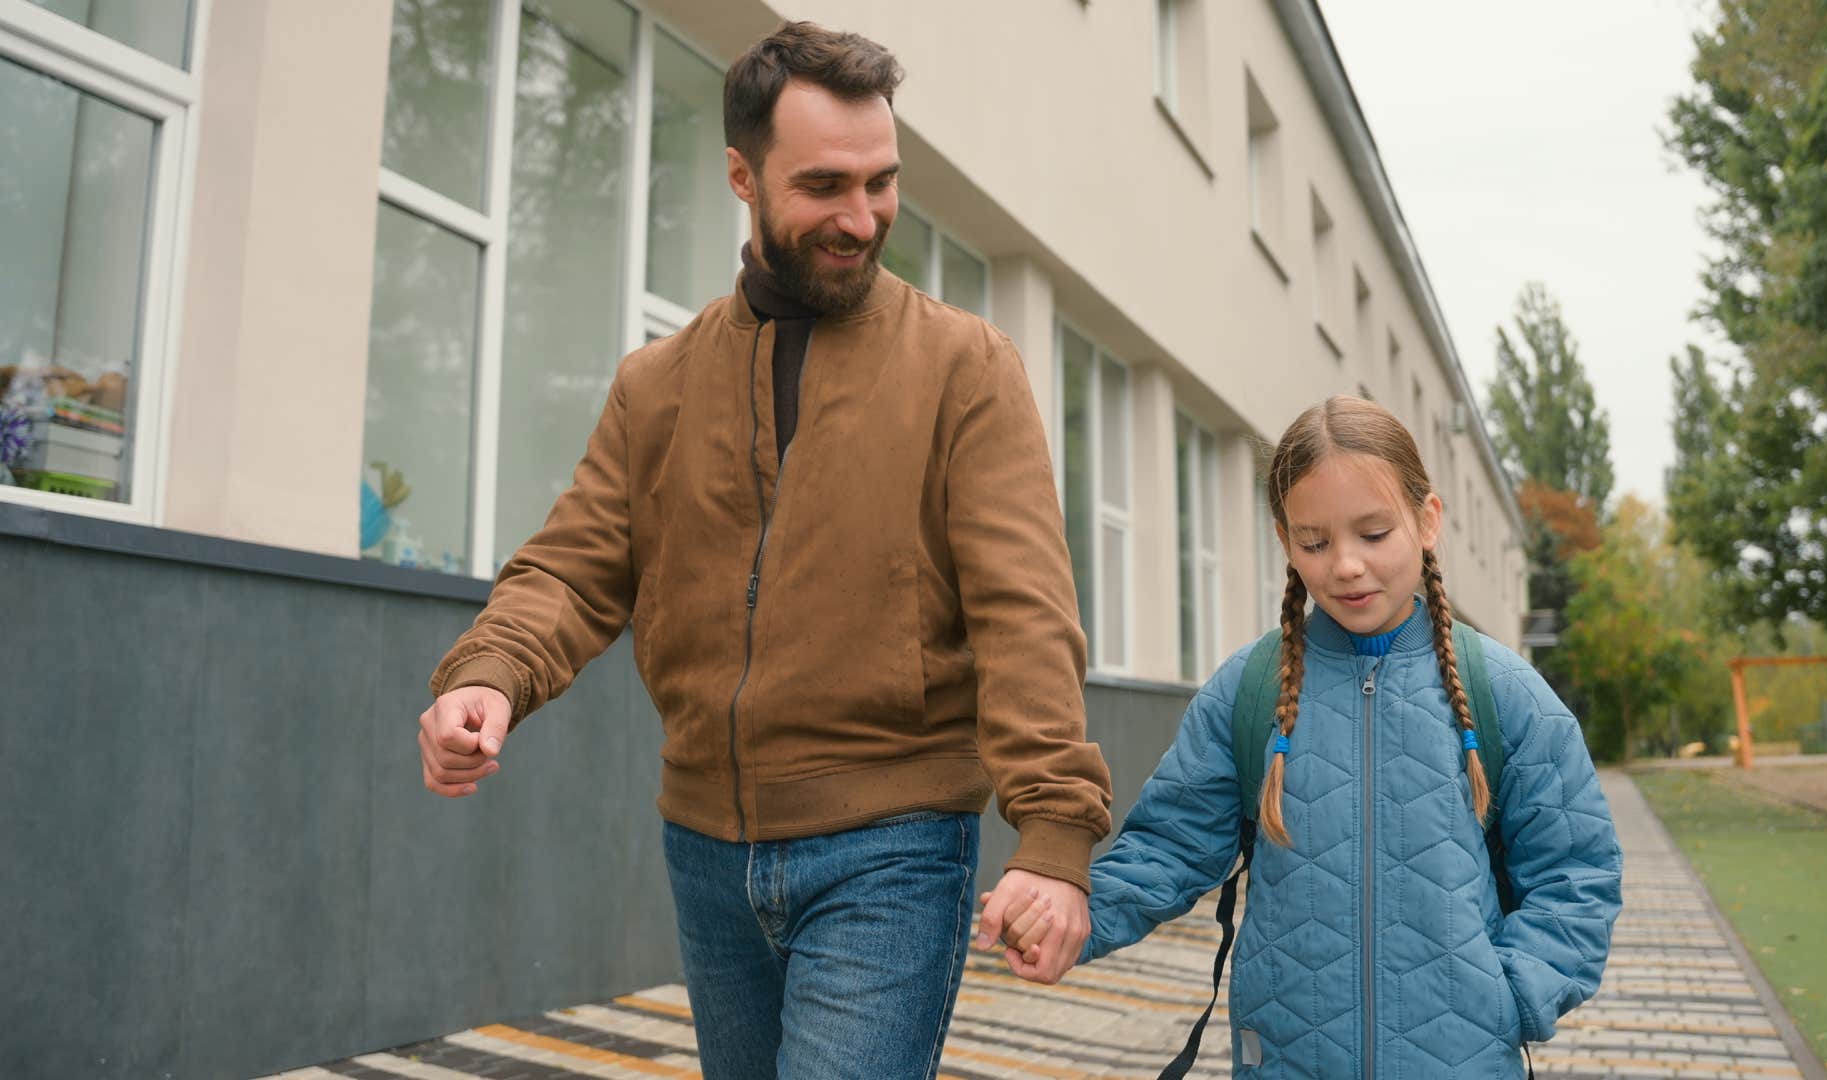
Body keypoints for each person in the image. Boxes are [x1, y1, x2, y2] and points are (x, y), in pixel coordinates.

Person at [413, 21, 1112, 1079]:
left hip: (894, 844)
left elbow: (1025, 614)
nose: (862, 215)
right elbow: (572, 565)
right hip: (704, 851)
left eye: (881, 182)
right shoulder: (656, 385)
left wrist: (1055, 836)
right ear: (742, 175)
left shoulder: (966, 368)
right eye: (825, 185)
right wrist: (488, 674)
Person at [980, 395, 1622, 1078]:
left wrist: (1511, 996)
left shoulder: (1506, 692)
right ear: (1286, 540)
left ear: (1427, 520)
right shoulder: (1248, 689)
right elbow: (1169, 846)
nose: (1345, 564)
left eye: (1373, 534)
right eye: (1315, 542)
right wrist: (1071, 915)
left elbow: (1577, 873)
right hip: (1284, 1060)